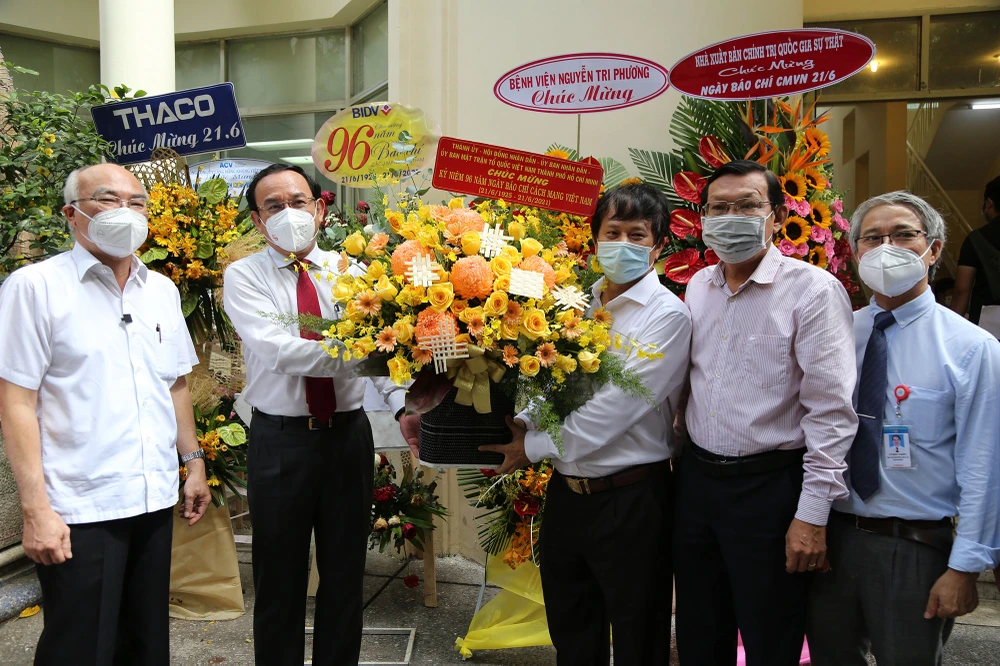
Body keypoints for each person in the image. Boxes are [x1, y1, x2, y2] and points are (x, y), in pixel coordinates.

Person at [0, 163, 210, 665]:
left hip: (152, 497)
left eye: (137, 202)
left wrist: (194, 462)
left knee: (145, 643)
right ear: (72, 214)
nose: (125, 211)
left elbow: (174, 383)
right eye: (108, 199)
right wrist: (36, 511)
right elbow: (16, 402)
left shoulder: (160, 290)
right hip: (80, 507)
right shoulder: (34, 287)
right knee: (81, 646)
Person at [481, 183, 692, 665]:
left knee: (639, 637)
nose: (623, 244)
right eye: (612, 232)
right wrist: (523, 420)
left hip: (632, 500)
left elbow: (613, 411)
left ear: (659, 245)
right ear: (595, 239)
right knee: (572, 631)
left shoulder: (668, 317)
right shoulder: (576, 302)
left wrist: (530, 447)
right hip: (567, 496)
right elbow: (554, 379)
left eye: (637, 235)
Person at [674, 160, 858, 665]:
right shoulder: (698, 286)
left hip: (770, 490)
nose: (731, 217)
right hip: (698, 484)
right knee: (698, 630)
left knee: (770, 635)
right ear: (703, 218)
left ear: (776, 216)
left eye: (747, 206)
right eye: (718, 207)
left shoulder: (813, 290)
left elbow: (832, 412)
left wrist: (812, 516)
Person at [223, 164, 406, 665]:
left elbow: (387, 353)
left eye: (298, 202)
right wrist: (363, 352)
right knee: (279, 578)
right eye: (273, 206)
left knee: (345, 575)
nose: (288, 213)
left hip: (347, 439)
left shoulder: (357, 274)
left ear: (320, 209)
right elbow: (279, 350)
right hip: (281, 442)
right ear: (258, 220)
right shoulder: (244, 276)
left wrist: (403, 406)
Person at [807, 191, 1000, 665]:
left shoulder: (971, 348)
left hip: (914, 546)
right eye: (872, 238)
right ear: (855, 253)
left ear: (934, 250)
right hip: (831, 540)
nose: (886, 247)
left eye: (903, 235)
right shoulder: (834, 333)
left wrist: (966, 568)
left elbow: (984, 466)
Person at [951, 176, 1000, 335]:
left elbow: (962, 289)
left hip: (988, 325)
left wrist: (951, 331)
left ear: (989, 203)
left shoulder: (976, 239)